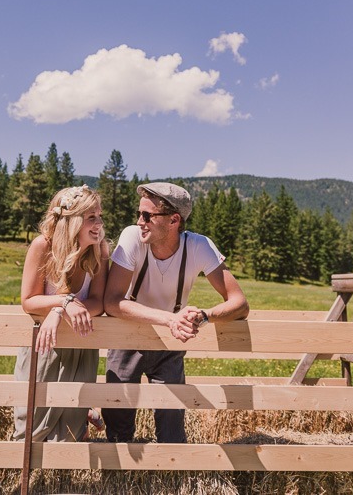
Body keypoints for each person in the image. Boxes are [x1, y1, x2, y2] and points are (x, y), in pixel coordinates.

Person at [102, 181, 249, 444]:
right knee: (118, 429)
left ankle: (170, 481)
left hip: (169, 345)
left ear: (174, 220)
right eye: (139, 214)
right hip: (127, 337)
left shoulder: (198, 246)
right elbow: (112, 302)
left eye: (147, 216)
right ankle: (118, 483)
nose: (139, 221)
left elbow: (239, 302)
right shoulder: (132, 237)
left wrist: (205, 316)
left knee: (172, 431)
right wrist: (169, 318)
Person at [13, 184, 108, 443]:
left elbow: (99, 302)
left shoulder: (100, 251)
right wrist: (63, 303)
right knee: (32, 423)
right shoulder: (42, 246)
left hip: (81, 344)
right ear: (71, 220)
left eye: (100, 216)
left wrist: (59, 310)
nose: (99, 223)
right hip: (45, 344)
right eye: (91, 218)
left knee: (71, 428)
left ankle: (66, 481)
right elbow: (29, 301)